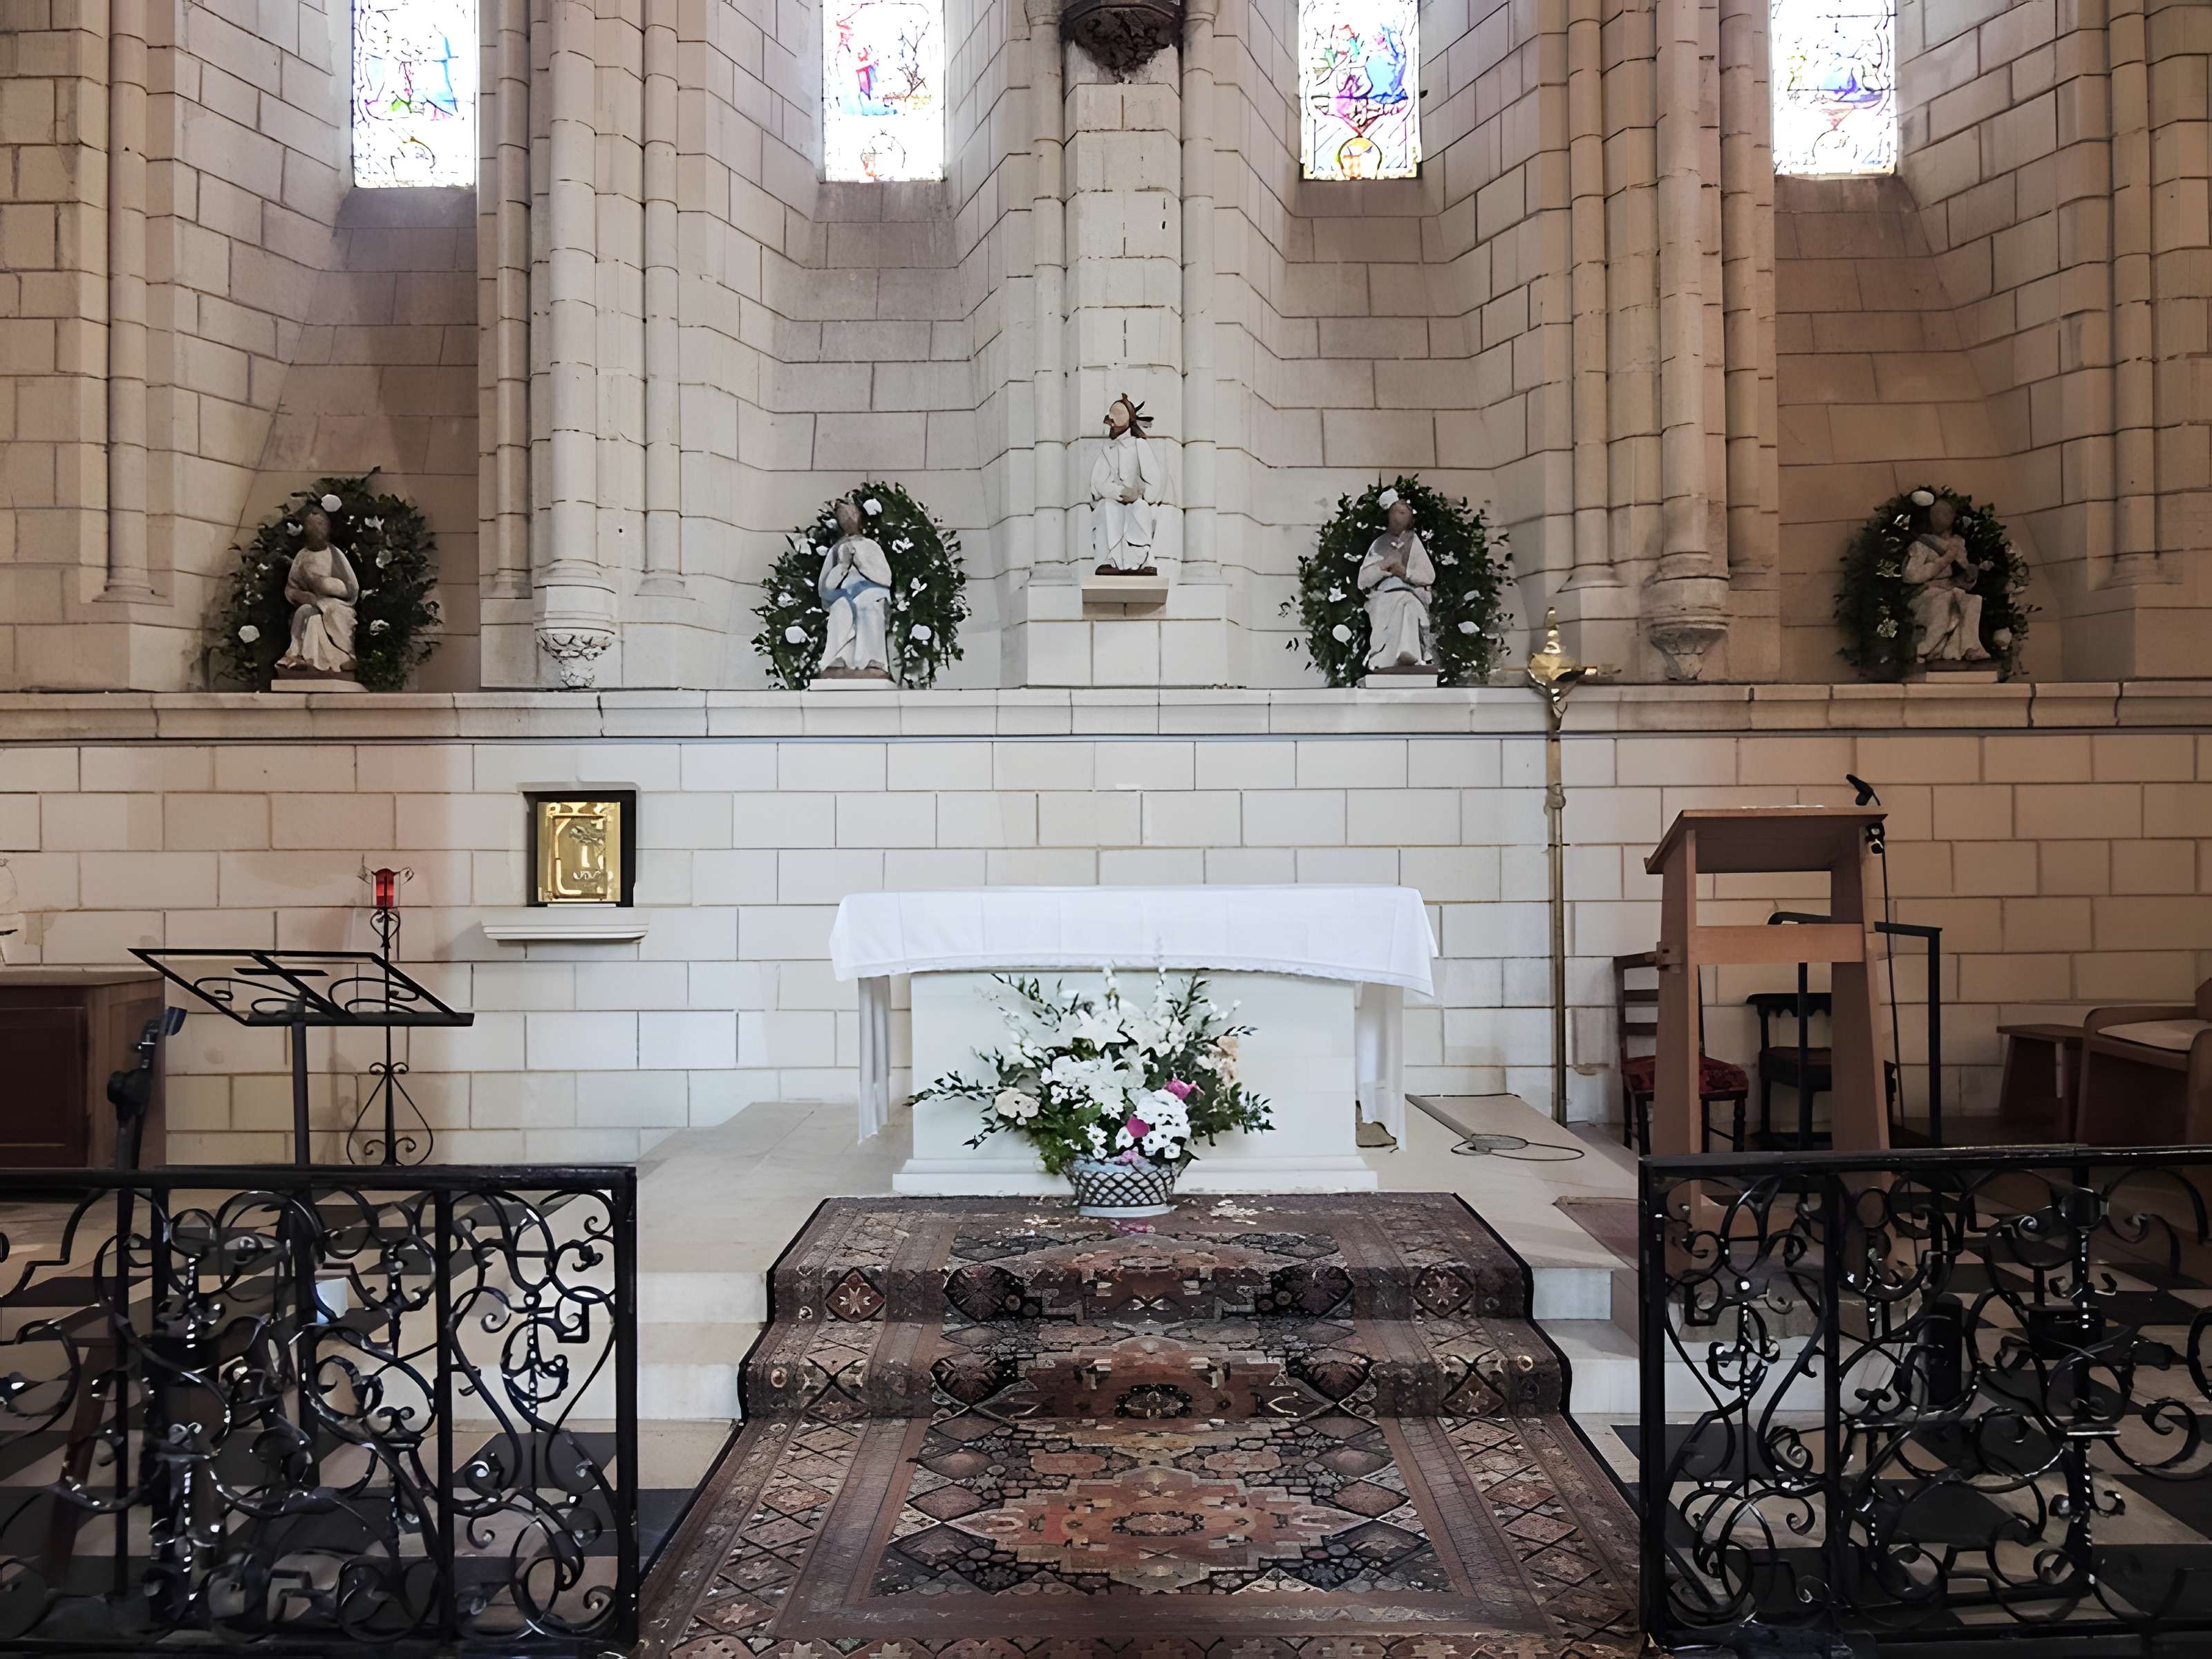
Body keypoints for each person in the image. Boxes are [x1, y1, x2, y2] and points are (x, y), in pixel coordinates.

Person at [276, 505, 360, 677]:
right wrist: (301, 596)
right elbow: (291, 587)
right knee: (305, 613)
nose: (317, 530)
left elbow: (351, 588)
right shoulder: (302, 556)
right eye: (312, 525)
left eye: (320, 525)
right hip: (313, 602)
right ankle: (297, 656)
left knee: (335, 611)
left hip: (337, 603)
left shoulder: (335, 554)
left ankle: (345, 657)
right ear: (305, 529)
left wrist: (326, 584)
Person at [1903, 496, 1988, 662]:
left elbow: (1963, 578)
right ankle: (1924, 649)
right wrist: (1942, 561)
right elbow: (1911, 575)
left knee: (1973, 601)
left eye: (1944, 513)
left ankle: (1966, 647)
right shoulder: (1922, 544)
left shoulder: (1958, 544)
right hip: (1926, 593)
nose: (1939, 518)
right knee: (1946, 600)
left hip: (1951, 589)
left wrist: (1971, 575)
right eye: (1935, 514)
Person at [1089, 393, 1166, 574]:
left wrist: (1139, 493)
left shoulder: (1139, 446)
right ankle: (1110, 562)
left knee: (1139, 509)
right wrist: (1119, 492)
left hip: (1137, 500)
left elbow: (1154, 483)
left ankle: (1141, 561)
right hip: (1114, 499)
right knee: (1108, 508)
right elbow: (1098, 484)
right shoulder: (1108, 450)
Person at [818, 497, 893, 675]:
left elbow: (885, 577)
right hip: (844, 595)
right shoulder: (837, 549)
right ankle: (839, 660)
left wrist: (860, 562)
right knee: (840, 610)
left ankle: (873, 661)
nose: (849, 520)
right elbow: (826, 587)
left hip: (872, 592)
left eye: (852, 515)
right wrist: (843, 566)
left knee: (870, 609)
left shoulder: (871, 546)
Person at [1359, 496, 1435, 670]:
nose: (1397, 517)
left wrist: (1405, 573)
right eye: (1393, 512)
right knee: (1387, 606)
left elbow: (1428, 576)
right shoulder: (1379, 544)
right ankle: (1384, 657)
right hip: (1383, 594)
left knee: (1408, 604)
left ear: (1410, 519)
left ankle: (1409, 653)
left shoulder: (1413, 543)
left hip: (1409, 592)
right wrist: (1383, 567)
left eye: (1402, 513)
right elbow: (1363, 580)